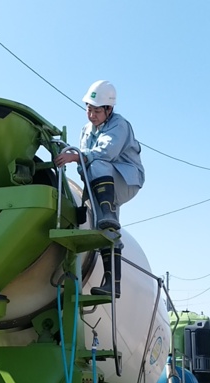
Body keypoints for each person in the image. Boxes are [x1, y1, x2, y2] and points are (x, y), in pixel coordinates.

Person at [53, 80, 144, 298]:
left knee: (98, 163)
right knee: (108, 232)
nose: (91, 114)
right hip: (101, 182)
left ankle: (107, 214)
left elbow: (105, 153)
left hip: (125, 178)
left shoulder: (119, 125)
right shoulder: (86, 130)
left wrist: (75, 157)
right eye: (88, 109)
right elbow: (85, 164)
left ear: (108, 109)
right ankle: (113, 283)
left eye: (96, 110)